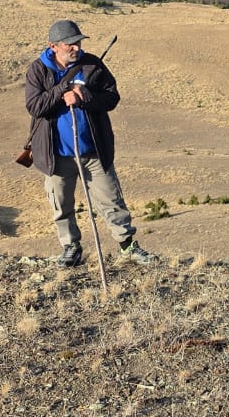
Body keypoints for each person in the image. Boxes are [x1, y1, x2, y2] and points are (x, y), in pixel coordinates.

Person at [25, 19, 156, 267]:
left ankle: (127, 246)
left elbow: (111, 98)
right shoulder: (37, 70)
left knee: (112, 201)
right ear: (53, 46)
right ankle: (71, 247)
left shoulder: (92, 64)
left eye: (78, 42)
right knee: (61, 205)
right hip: (58, 155)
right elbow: (35, 106)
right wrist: (63, 90)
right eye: (70, 44)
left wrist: (85, 98)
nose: (76, 48)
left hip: (93, 152)